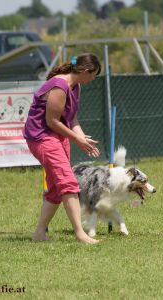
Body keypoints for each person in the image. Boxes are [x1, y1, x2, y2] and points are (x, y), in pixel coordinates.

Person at [24, 53, 101, 244]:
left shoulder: (77, 87)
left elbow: (71, 118)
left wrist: (81, 138)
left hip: (59, 136)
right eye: (93, 75)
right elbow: (51, 122)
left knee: (57, 188)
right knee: (68, 183)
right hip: (42, 137)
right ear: (84, 71)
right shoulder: (59, 85)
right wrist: (76, 139)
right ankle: (80, 234)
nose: (93, 79)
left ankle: (39, 234)